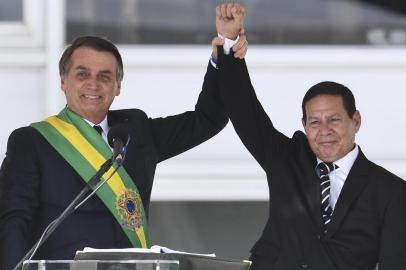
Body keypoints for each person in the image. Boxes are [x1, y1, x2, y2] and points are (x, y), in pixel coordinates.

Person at [0, 31, 247, 269]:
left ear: (118, 86)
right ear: (63, 81)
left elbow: (208, 120)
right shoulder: (32, 142)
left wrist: (224, 54)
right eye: (82, 74)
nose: (93, 84)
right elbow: (13, 221)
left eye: (105, 76)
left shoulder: (137, 131)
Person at [212, 3, 406, 270]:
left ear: (356, 121)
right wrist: (230, 42)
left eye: (334, 120)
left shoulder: (391, 191)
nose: (324, 130)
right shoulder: (286, 160)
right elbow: (246, 113)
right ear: (304, 126)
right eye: (314, 122)